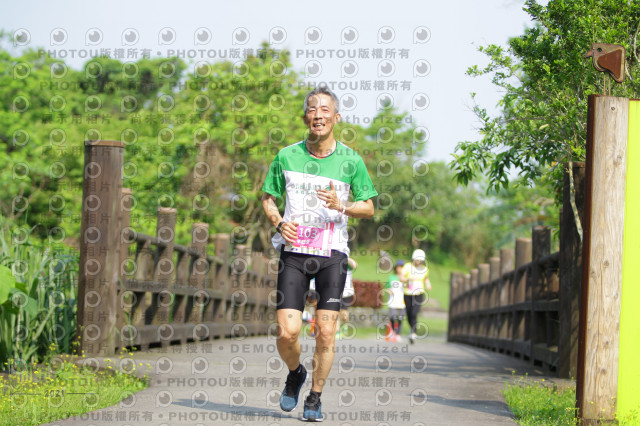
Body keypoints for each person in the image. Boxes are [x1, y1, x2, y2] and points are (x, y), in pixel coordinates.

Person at [261, 87, 377, 421]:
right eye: (313, 109)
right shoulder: (286, 156)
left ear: (336, 118)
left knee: (325, 332)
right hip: (295, 253)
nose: (319, 115)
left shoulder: (351, 160)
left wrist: (344, 205)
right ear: (305, 118)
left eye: (325, 110)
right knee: (287, 332)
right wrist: (279, 222)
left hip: (333, 254)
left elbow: (369, 207)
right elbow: (268, 198)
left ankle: (314, 396)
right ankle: (295, 373)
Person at [402, 249, 431, 344]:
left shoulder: (424, 269)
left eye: (420, 260)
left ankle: (414, 333)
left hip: (418, 294)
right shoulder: (407, 267)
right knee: (409, 313)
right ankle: (412, 329)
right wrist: (408, 279)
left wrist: (428, 284)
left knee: (414, 313)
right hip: (408, 293)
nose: (418, 262)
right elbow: (401, 277)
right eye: (417, 259)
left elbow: (426, 278)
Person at [384, 259, 406, 342]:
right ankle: (393, 332)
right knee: (393, 317)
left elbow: (407, 286)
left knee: (400, 318)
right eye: (398, 267)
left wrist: (403, 278)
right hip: (393, 301)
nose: (400, 269)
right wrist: (389, 290)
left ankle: (398, 334)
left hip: (401, 301)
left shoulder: (404, 278)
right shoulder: (391, 277)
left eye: (401, 267)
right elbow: (387, 287)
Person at [336, 257, 357, 339]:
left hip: (347, 292)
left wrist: (346, 257)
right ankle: (337, 331)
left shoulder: (347, 263)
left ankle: (344, 326)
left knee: (344, 315)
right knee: (336, 312)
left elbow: (354, 265)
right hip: (336, 291)